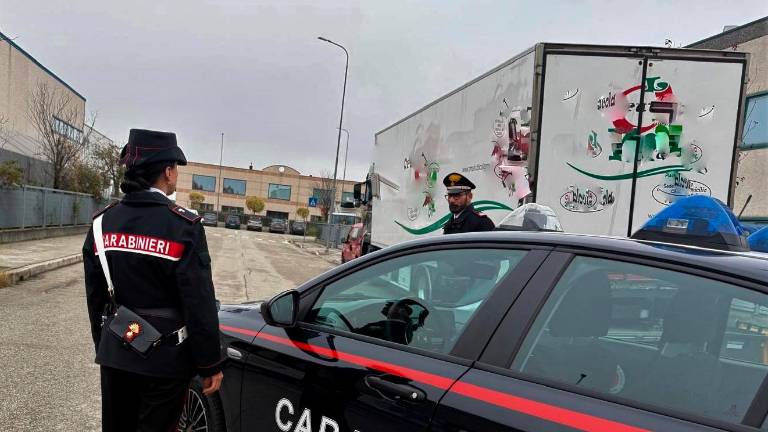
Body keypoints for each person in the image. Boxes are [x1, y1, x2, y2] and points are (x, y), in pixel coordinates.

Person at [82, 129, 224, 432]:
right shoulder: (183, 225)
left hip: (116, 352)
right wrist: (209, 363)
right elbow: (198, 301)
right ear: (167, 172)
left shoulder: (101, 223)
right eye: (176, 169)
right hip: (166, 361)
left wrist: (106, 344)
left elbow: (95, 298)